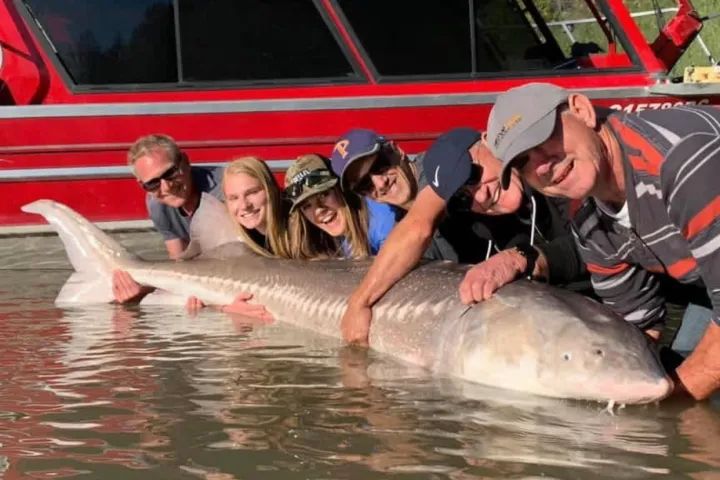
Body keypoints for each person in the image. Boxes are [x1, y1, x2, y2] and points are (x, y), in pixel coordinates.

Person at [486, 81, 720, 400]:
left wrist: (671, 408)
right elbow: (637, 323)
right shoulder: (587, 222)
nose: (543, 164)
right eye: (524, 162)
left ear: (582, 111)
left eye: (544, 137)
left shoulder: (683, 160)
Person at [337, 127, 588, 345]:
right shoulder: (466, 213)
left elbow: (418, 227)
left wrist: (359, 303)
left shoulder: (442, 165)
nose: (379, 184)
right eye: (364, 185)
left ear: (396, 150)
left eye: (380, 167)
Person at [113, 134, 224, 303]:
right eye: (152, 183)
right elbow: (179, 264)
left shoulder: (224, 191)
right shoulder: (156, 203)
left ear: (185, 162)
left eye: (170, 173)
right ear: (142, 185)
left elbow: (234, 259)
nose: (166, 187)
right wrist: (140, 289)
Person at [284, 154, 395, 260]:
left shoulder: (383, 225)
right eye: (306, 206)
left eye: (323, 195)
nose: (318, 210)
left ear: (342, 189)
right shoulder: (338, 234)